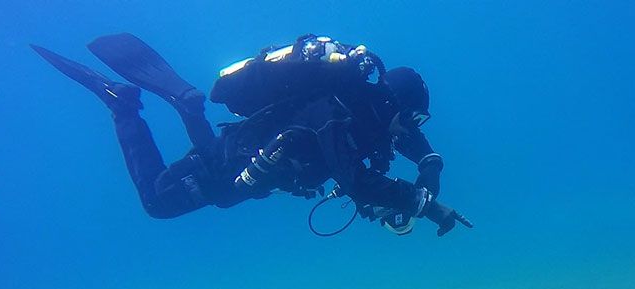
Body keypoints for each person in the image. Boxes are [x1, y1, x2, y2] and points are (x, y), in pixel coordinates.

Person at [30, 33, 472, 236]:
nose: (413, 133)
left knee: (223, 196)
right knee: (156, 203)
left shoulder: (371, 116)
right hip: (232, 161)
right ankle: (124, 104)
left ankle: (179, 106)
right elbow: (355, 183)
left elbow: (417, 148)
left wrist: (431, 174)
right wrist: (425, 206)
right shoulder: (334, 113)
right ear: (395, 104)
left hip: (255, 171)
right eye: (414, 119)